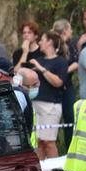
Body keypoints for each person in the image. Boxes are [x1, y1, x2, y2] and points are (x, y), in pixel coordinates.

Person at [29, 31, 68, 160]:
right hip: (36, 104)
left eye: (42, 39)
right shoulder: (38, 60)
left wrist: (42, 69)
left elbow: (58, 83)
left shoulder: (61, 62)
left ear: (50, 42)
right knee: (39, 142)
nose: (39, 42)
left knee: (49, 142)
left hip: (51, 106)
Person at [53, 19, 80, 147]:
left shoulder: (71, 45)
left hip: (67, 86)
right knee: (53, 120)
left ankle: (69, 147)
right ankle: (53, 146)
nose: (72, 32)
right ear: (64, 31)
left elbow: (76, 61)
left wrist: (65, 72)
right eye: (70, 29)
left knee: (70, 117)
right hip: (52, 88)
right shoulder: (52, 45)